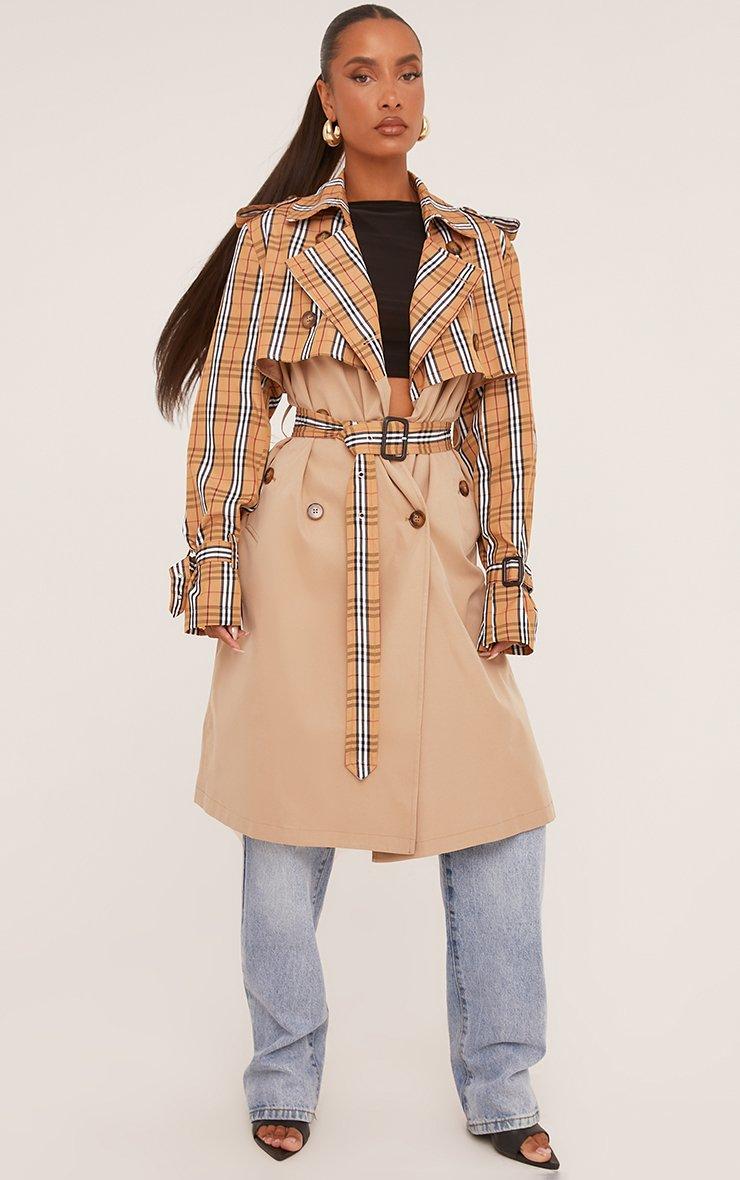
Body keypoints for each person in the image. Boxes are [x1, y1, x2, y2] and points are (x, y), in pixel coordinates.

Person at [156, 4, 559, 1169]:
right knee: (282, 819)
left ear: (424, 97)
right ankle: (282, 1075)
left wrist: (508, 578)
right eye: (364, 74)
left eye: (408, 72)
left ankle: (501, 1082)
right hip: (303, 541)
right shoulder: (274, 238)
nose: (391, 93)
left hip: (437, 539)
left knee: (502, 816)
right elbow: (232, 405)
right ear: (327, 100)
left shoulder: (480, 249)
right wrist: (213, 560)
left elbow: (506, 423)